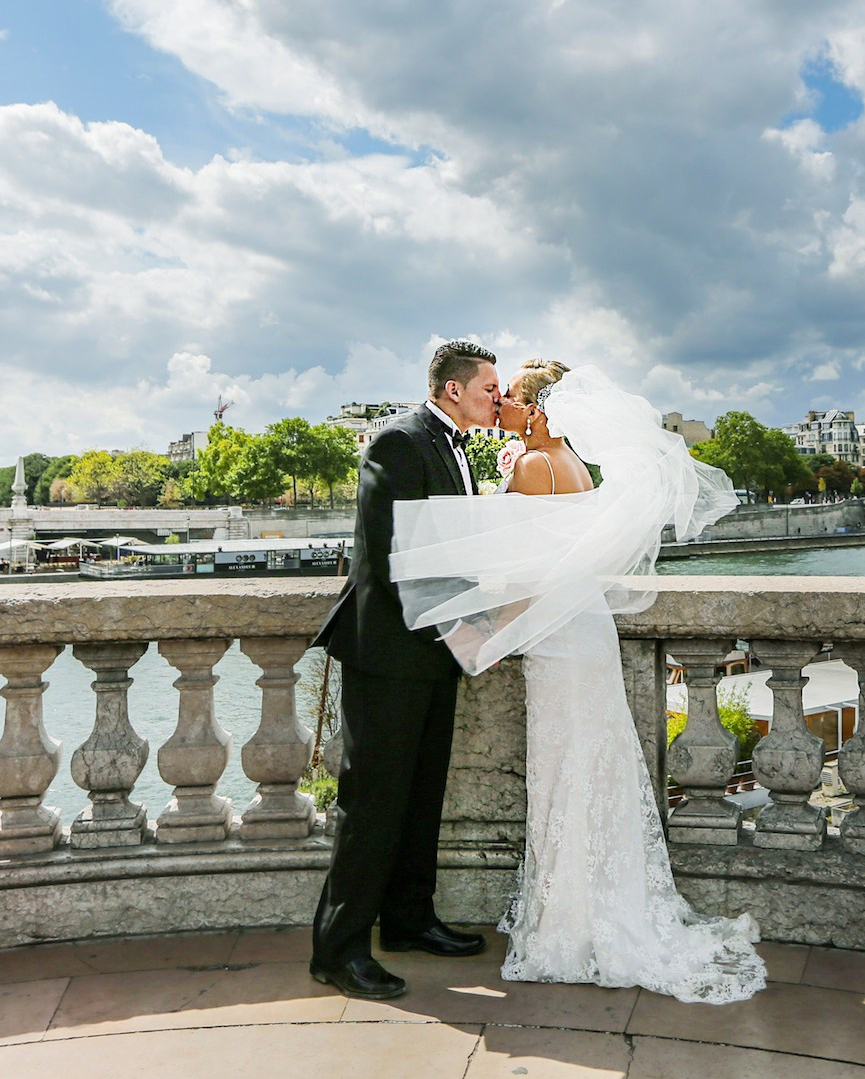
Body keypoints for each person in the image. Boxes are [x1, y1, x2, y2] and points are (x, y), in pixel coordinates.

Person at [387, 359, 766, 1005]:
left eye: (508, 398)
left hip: (555, 637)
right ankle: (604, 906)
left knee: (565, 775)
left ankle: (569, 926)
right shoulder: (579, 468)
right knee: (596, 767)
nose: (499, 405)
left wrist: (487, 637)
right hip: (585, 627)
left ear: (535, 412)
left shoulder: (532, 468)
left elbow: (524, 573)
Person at [309, 340, 501, 1001]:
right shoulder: (397, 441)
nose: (496, 400)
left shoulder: (450, 445)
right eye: (488, 390)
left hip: (433, 650)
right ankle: (338, 951)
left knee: (421, 797)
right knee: (373, 805)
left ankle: (410, 921)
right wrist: (465, 622)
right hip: (390, 653)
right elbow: (394, 557)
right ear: (454, 391)